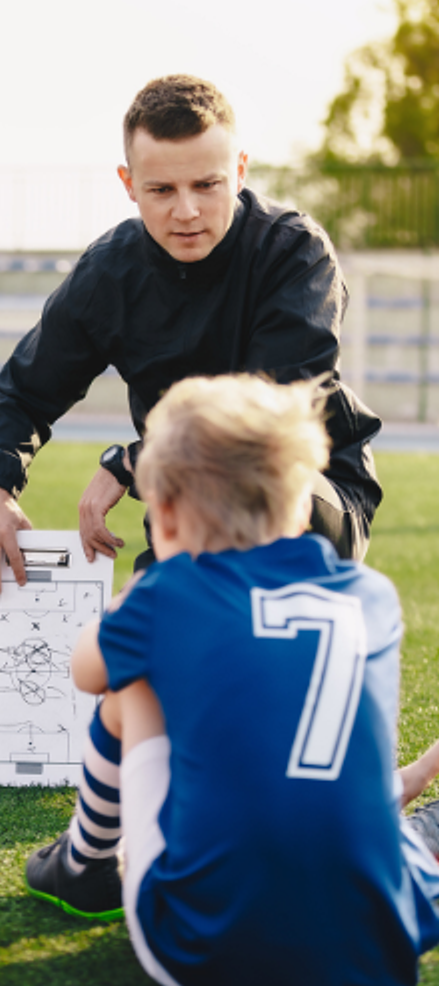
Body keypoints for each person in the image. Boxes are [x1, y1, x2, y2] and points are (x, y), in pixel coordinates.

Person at [24, 373, 439, 986]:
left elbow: (87, 670)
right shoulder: (370, 596)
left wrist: (132, 600)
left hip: (202, 947)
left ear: (162, 512)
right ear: (303, 502)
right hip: (379, 940)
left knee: (129, 686)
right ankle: (405, 810)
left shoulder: (168, 593)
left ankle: (86, 863)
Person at [0, 74, 382, 596]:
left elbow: (270, 411)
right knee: (143, 651)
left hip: (306, 492)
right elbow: (24, 392)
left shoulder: (295, 252)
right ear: (129, 183)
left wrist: (130, 463)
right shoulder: (109, 273)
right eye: (161, 190)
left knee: (261, 490)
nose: (186, 211)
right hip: (179, 508)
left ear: (240, 170)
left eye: (207, 185)